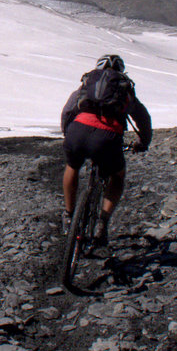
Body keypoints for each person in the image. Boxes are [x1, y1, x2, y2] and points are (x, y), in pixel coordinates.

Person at [60, 54, 152, 249]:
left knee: (73, 166)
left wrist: (68, 133)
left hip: (77, 132)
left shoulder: (86, 86)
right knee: (117, 176)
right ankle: (102, 223)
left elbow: (68, 111)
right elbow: (142, 118)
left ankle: (68, 215)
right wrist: (143, 142)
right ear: (121, 72)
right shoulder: (124, 90)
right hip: (107, 138)